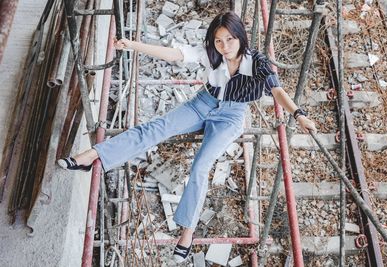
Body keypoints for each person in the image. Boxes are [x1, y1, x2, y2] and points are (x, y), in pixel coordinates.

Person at [58, 11, 316, 263]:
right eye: (218, 40)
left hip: (231, 116)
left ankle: (187, 232)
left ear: (241, 38)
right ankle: (92, 155)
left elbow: (277, 90)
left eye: (230, 39)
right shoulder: (212, 54)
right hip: (202, 104)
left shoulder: (257, 62)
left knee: (201, 167)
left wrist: (299, 114)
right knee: (155, 128)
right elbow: (175, 54)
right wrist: (134, 44)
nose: (224, 46)